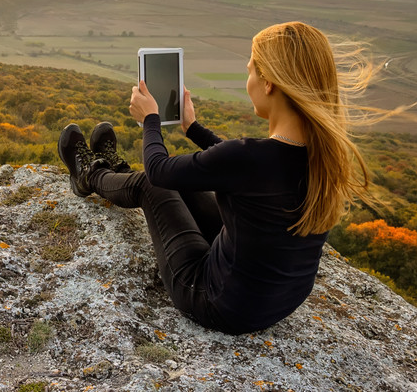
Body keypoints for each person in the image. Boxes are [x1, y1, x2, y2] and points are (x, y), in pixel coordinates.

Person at [57, 21, 387, 334]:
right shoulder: (323, 155)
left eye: (250, 70)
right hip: (276, 302)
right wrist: (192, 128)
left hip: (215, 301)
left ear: (269, 82)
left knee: (154, 184)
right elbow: (238, 165)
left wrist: (151, 120)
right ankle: (114, 172)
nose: (249, 80)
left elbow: (159, 170)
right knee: (181, 181)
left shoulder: (250, 157)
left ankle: (91, 174)